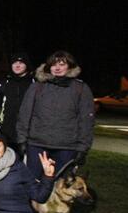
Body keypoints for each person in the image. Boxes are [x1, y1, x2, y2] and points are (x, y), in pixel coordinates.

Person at [16, 50, 94, 179]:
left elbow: (86, 120)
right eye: (53, 65)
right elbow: (24, 115)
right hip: (37, 145)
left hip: (66, 147)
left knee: (60, 185)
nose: (57, 68)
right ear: (48, 67)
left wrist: (83, 148)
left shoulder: (81, 89)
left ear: (69, 66)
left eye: (62, 64)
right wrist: (22, 140)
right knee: (33, 183)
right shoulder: (37, 87)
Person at [0, 53, 34, 154]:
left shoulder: (34, 85)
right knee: (5, 164)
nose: (17, 65)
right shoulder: (1, 85)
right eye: (14, 63)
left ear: (27, 65)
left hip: (29, 134)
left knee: (26, 167)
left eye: (21, 63)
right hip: (6, 133)